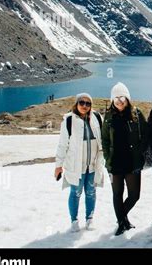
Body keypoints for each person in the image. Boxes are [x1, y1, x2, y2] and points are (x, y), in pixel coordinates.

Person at [102, 82, 148, 236]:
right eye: (116, 98)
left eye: (122, 97)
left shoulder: (136, 113)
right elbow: (105, 140)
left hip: (132, 162)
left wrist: (140, 153)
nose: (119, 101)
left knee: (134, 195)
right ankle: (123, 223)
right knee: (117, 194)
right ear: (112, 100)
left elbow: (145, 135)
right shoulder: (108, 116)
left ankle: (121, 219)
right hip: (115, 163)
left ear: (127, 98)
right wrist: (107, 158)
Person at [55, 93, 105, 232]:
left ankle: (90, 219)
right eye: (81, 102)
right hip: (76, 165)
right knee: (75, 193)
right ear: (76, 103)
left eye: (88, 103)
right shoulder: (69, 120)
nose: (84, 106)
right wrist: (58, 165)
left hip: (93, 165)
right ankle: (74, 221)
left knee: (91, 192)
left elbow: (103, 140)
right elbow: (62, 145)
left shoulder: (97, 118)